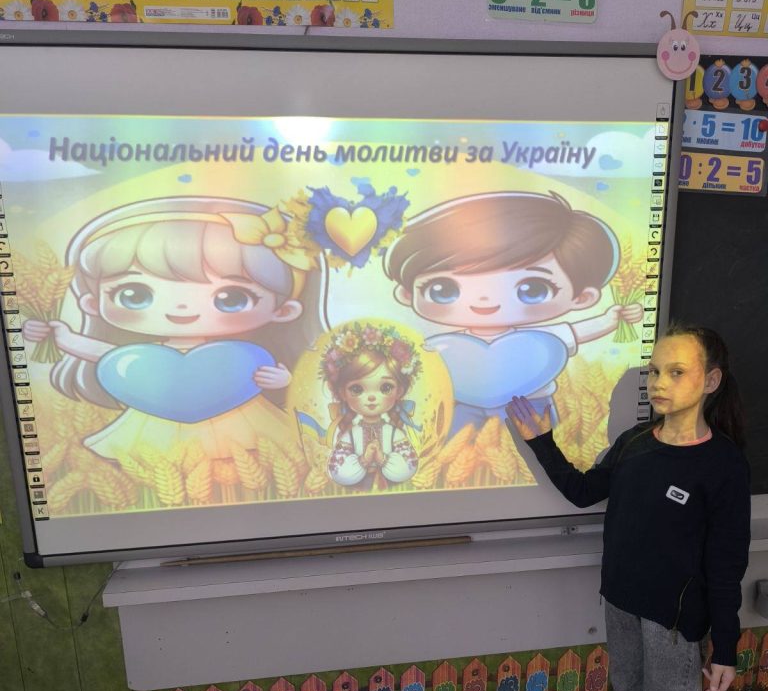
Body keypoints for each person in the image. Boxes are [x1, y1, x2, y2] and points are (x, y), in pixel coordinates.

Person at [506, 325, 751, 691]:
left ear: (711, 381)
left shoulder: (723, 464)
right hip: (621, 602)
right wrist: (540, 440)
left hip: (674, 622)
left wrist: (726, 648)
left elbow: (726, 563)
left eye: (676, 372)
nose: (659, 383)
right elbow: (582, 492)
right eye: (655, 371)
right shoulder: (635, 443)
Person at [22, 197, 326, 467]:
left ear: (284, 311)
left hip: (242, 420)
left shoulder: (243, 357)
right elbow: (104, 354)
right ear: (93, 304)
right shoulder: (136, 358)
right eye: (135, 294)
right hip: (156, 423)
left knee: (249, 453)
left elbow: (294, 380)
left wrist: (282, 379)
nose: (181, 308)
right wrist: (60, 336)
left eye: (231, 298)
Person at [384, 191, 642, 437]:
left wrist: (610, 319)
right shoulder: (442, 346)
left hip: (529, 405)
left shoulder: (541, 342)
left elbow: (576, 332)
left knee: (534, 455)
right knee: (454, 447)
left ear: (582, 297)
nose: (485, 300)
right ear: (407, 294)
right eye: (443, 289)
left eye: (532, 289)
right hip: (460, 405)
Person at [323, 323, 420, 490]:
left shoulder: (393, 433)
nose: (372, 397)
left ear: (399, 391)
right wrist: (364, 460)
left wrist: (383, 459)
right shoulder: (351, 434)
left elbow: (409, 466)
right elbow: (337, 470)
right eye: (357, 389)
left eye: (385, 388)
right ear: (343, 393)